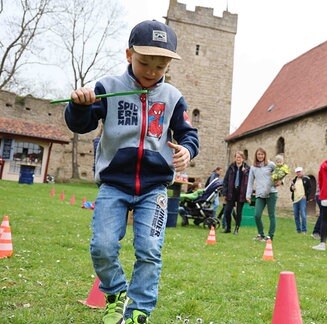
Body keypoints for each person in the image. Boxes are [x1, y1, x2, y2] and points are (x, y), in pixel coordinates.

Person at [64, 20, 199, 324]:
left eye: (160, 65)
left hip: (154, 189)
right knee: (102, 246)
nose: (152, 71)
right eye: (145, 62)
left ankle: (139, 309)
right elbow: (81, 124)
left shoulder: (173, 98)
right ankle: (115, 293)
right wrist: (80, 106)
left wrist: (187, 151)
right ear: (128, 54)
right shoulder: (107, 88)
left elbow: (188, 133)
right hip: (114, 185)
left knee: (149, 249)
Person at [246, 148, 278, 241]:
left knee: (271, 214)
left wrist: (280, 182)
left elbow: (280, 174)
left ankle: (270, 236)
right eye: (258, 154)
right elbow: (250, 182)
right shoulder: (253, 167)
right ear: (256, 156)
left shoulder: (271, 165)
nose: (260, 156)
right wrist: (248, 195)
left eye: (262, 154)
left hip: (271, 193)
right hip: (260, 194)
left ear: (265, 155)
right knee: (257, 215)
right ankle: (261, 234)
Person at [221, 152, 250, 234]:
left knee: (239, 212)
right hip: (231, 191)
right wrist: (224, 192)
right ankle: (228, 228)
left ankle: (236, 229)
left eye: (240, 157)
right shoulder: (231, 167)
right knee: (227, 211)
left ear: (243, 159)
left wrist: (245, 172)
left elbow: (249, 180)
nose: (238, 159)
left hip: (241, 192)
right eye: (237, 157)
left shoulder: (247, 168)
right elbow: (226, 180)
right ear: (235, 158)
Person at [289, 166, 312, 233]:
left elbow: (310, 188)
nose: (298, 173)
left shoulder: (306, 179)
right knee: (296, 215)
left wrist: (306, 196)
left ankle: (304, 230)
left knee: (303, 214)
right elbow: (291, 189)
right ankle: (298, 230)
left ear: (302, 172)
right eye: (297, 172)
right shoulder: (294, 180)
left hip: (302, 198)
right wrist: (291, 188)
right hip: (295, 199)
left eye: (299, 172)